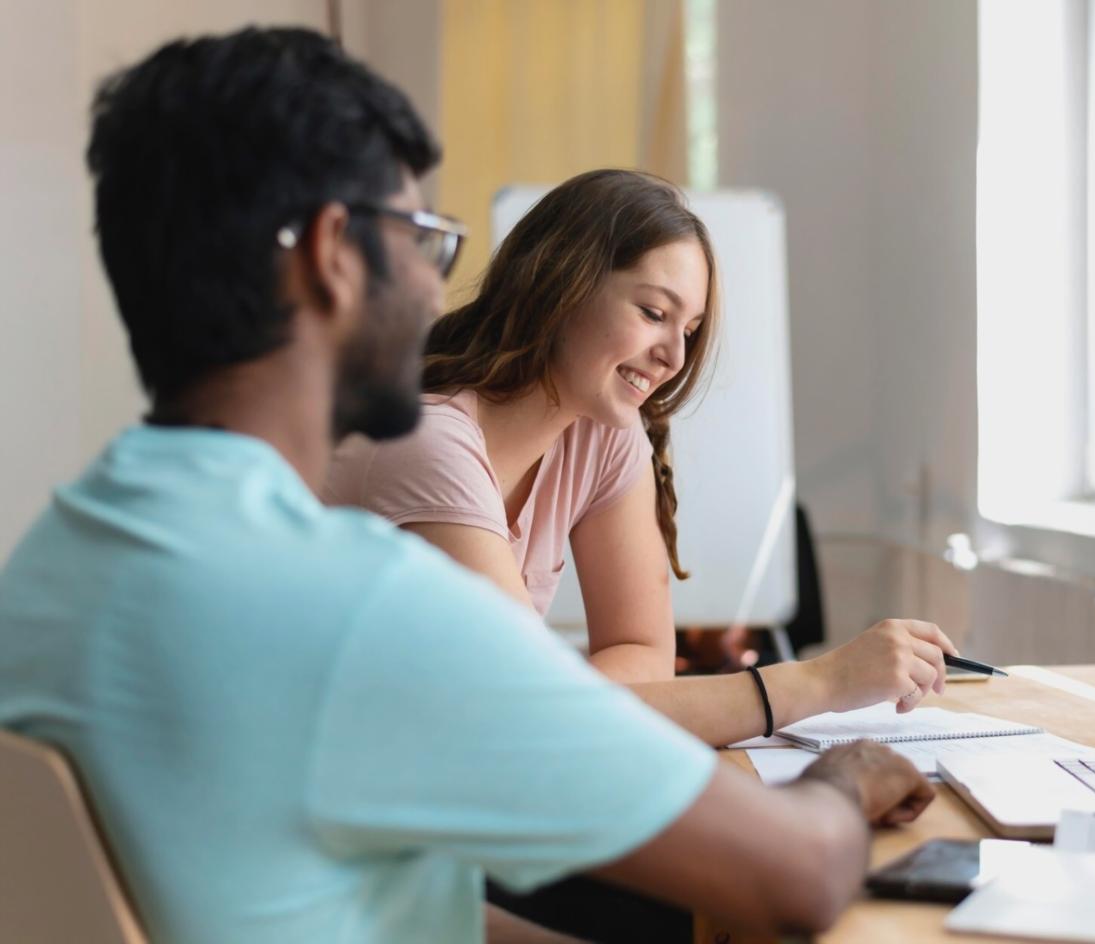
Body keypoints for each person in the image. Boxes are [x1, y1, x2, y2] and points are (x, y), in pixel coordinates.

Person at [0, 27, 933, 943]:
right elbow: (796, 877)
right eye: (422, 239)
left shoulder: (52, 564)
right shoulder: (367, 604)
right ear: (335, 252)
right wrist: (850, 770)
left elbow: (333, 890)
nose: (436, 286)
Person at [323, 169, 960, 747]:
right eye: (654, 313)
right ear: (558, 283)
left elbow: (637, 653)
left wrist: (561, 705)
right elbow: (534, 714)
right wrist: (818, 685)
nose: (675, 359)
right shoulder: (427, 440)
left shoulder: (601, 432)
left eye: (687, 331)